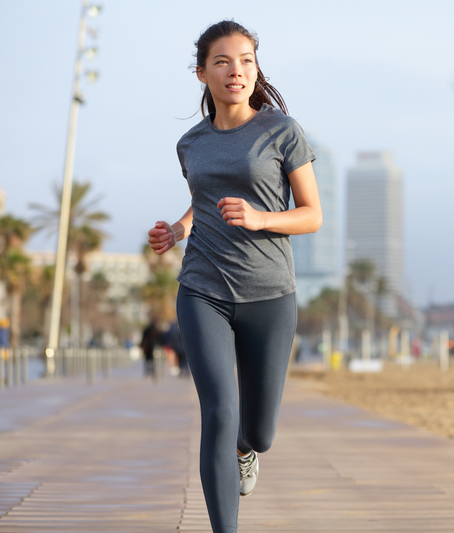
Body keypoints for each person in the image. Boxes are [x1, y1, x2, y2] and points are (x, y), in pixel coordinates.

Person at [147, 20, 321, 533]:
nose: (236, 71)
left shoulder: (281, 131)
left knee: (258, 429)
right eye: (222, 62)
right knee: (220, 412)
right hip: (203, 289)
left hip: (270, 293)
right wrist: (177, 231)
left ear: (256, 68)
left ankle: (249, 450)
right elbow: (203, 205)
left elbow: (311, 214)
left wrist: (263, 217)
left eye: (245, 60)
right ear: (202, 73)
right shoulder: (191, 144)